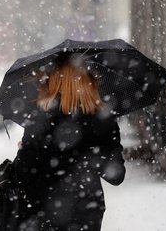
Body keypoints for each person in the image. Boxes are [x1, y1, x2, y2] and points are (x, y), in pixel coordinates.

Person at [12, 55, 126, 231]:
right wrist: (93, 155)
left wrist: (25, 150)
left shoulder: (40, 118)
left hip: (43, 212)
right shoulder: (103, 119)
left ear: (53, 82)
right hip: (87, 212)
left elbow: (22, 174)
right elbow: (116, 176)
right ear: (89, 81)